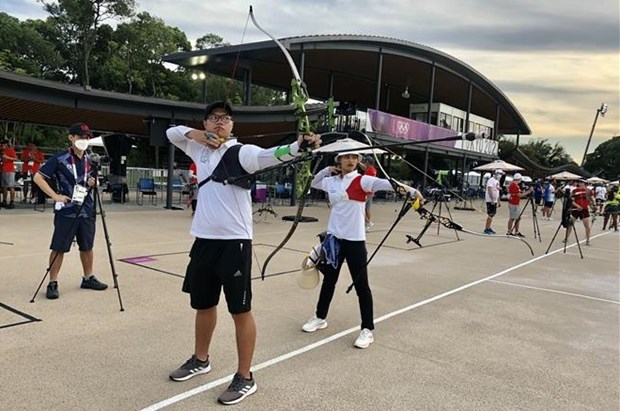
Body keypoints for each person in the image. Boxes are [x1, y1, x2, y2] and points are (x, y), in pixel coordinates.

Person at [166, 101, 321, 405]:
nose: (219, 123)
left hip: (234, 243)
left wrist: (299, 145)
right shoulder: (200, 150)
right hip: (204, 240)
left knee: (240, 310)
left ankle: (245, 377)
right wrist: (197, 135)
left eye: (225, 119)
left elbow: (272, 155)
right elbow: (172, 132)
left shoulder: (242, 152)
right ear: (206, 122)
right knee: (203, 304)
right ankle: (201, 359)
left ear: (233, 125)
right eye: (213, 118)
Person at [301, 149, 424, 349]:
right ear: (339, 160)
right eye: (346, 157)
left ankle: (367, 329)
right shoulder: (331, 181)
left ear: (358, 161)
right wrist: (327, 169)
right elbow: (313, 182)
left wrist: (411, 190)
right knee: (329, 282)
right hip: (334, 240)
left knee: (362, 287)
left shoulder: (362, 180)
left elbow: (387, 184)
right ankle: (320, 317)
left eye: (354, 157)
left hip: (355, 241)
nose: (351, 160)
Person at [33, 123, 108, 300]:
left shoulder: (91, 160)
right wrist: (55, 196)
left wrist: (94, 183)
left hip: (87, 209)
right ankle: (53, 281)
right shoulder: (60, 158)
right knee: (59, 247)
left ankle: (88, 277)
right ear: (71, 137)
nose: (84, 140)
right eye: (81, 137)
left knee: (87, 246)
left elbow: (96, 182)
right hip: (67, 210)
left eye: (87, 137)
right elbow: (38, 177)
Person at [567, 179, 593, 245]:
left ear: (585, 183)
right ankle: (566, 238)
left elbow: (592, 199)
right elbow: (571, 201)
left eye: (582, 182)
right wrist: (577, 206)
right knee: (570, 224)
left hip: (584, 209)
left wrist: (593, 205)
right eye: (579, 182)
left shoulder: (588, 191)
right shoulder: (574, 190)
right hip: (576, 209)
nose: (580, 184)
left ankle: (588, 240)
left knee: (587, 226)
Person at [506, 173, 532, 237]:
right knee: (513, 218)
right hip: (513, 203)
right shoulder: (514, 185)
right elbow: (519, 195)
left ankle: (514, 231)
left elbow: (517, 193)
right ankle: (511, 231)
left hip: (514, 203)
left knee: (517, 218)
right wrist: (528, 191)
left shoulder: (514, 185)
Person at [358, 156, 377, 231]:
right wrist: (359, 163)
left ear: (368, 163)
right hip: (371, 192)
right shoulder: (372, 169)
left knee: (361, 208)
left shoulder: (369, 171)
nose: (365, 163)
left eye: (366, 162)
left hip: (367, 192)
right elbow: (363, 168)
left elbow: (364, 180)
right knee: (367, 208)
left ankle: (367, 223)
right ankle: (369, 222)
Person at [483, 169, 503, 234]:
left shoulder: (497, 181)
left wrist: (498, 201)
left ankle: (488, 227)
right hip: (490, 200)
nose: (500, 176)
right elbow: (489, 189)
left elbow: (498, 191)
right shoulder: (491, 180)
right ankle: (486, 228)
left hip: (495, 200)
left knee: (493, 214)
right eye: (500, 174)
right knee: (490, 214)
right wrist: (492, 199)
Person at [1, 139, 18, 209]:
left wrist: (7, 157)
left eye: (2, 145)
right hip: (3, 170)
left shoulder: (10, 150)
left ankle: (12, 201)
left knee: (11, 186)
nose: (1, 146)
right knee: (4, 186)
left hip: (10, 170)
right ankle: (4, 201)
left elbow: (16, 158)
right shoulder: (2, 151)